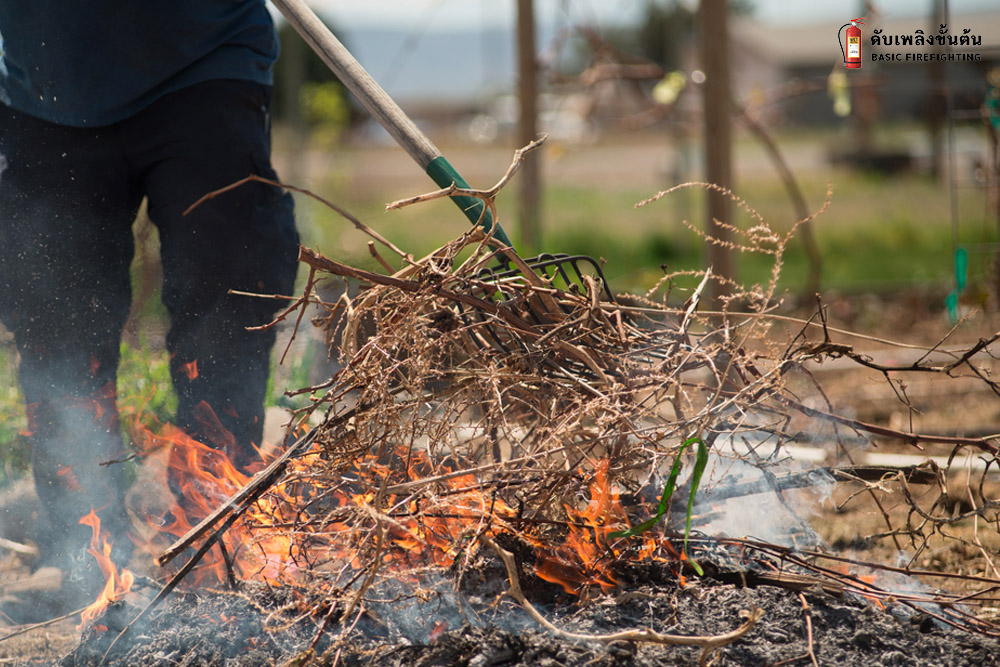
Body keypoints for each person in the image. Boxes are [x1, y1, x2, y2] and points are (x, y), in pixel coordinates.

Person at [0, 1, 299, 616]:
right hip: (46, 83)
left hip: (204, 58)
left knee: (232, 282)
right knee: (56, 316)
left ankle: (213, 525)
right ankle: (82, 545)